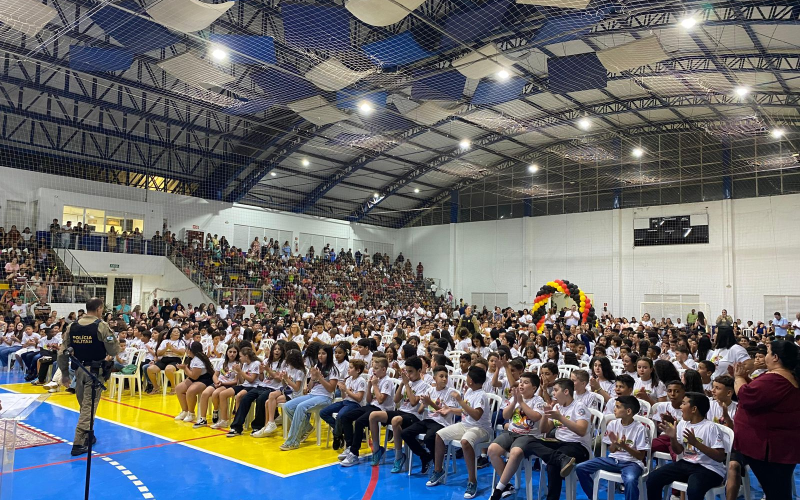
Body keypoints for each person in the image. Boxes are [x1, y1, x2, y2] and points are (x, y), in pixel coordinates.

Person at [732, 340, 800, 500]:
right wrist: (745, 378)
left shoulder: (775, 379)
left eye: (768, 353)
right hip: (774, 445)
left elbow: (746, 396)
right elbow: (762, 396)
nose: (765, 356)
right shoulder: (778, 377)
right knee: (777, 490)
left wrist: (738, 378)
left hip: (769, 448)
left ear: (775, 357)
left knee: (777, 492)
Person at [56, 297, 119, 456]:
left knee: (84, 405)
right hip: (95, 373)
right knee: (88, 408)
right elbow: (113, 351)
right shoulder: (101, 326)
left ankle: (88, 435)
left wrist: (64, 374)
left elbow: (62, 352)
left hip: (78, 371)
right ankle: (78, 442)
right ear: (99, 309)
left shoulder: (72, 327)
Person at [518, 378, 592, 500]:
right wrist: (545, 415)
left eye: (556, 390)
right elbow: (544, 430)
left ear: (566, 392)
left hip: (577, 446)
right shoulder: (557, 406)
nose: (553, 393)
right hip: (558, 443)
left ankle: (552, 497)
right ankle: (561, 459)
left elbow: (581, 431)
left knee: (552, 464)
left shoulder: (579, 407)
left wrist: (560, 418)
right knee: (528, 442)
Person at [426, 366, 492, 499]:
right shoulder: (469, 392)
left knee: (465, 442)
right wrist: (450, 410)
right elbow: (465, 411)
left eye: (467, 376)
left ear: (471, 381)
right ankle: (438, 471)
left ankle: (472, 481)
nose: (466, 378)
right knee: (439, 435)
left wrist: (460, 401)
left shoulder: (481, 395)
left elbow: (476, 415)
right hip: (465, 425)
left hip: (481, 429)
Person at [645, 392, 726, 500]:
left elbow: (720, 457)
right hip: (687, 463)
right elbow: (678, 451)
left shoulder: (711, 427)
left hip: (710, 468)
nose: (680, 407)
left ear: (694, 409)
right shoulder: (683, 423)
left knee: (694, 490)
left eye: (683, 403)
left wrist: (696, 443)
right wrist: (673, 438)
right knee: (653, 479)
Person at [575, 396, 650, 500]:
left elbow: (641, 456)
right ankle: (593, 497)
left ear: (628, 411)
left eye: (618, 407)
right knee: (580, 467)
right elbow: (611, 450)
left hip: (632, 463)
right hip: (613, 460)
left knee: (630, 480)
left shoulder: (640, 429)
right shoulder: (613, 424)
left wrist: (624, 446)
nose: (614, 409)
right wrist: (615, 444)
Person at [487, 372, 545, 500]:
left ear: (534, 388)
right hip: (511, 432)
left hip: (529, 436)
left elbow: (536, 417)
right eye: (520, 382)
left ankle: (498, 490)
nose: (521, 385)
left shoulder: (538, 400)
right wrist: (514, 403)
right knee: (492, 450)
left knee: (516, 452)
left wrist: (521, 402)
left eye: (525, 382)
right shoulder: (516, 398)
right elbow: (506, 416)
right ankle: (506, 485)